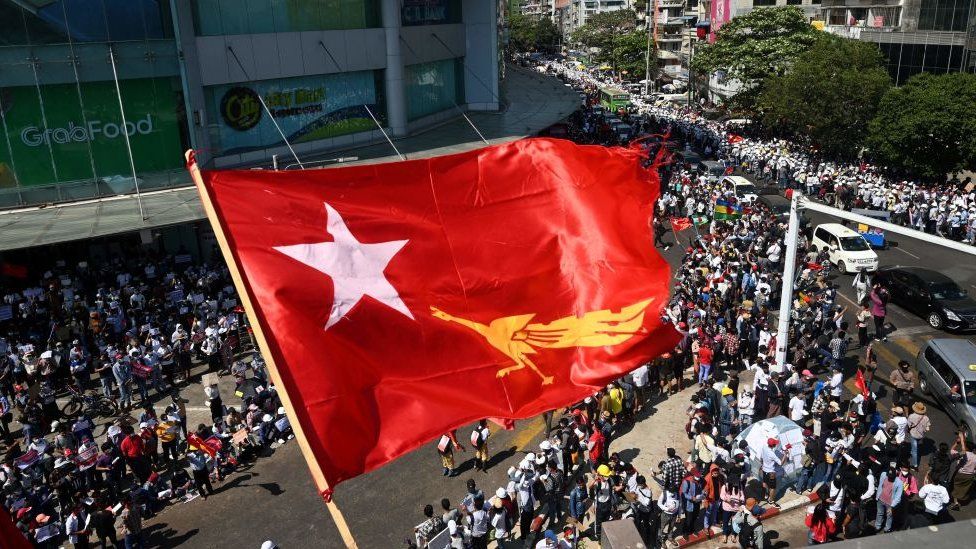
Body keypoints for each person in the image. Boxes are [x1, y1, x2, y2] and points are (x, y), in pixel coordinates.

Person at [874, 462, 904, 533]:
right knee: (879, 513)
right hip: (880, 499)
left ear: (895, 475)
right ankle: (877, 526)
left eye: (892, 477)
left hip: (890, 503)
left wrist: (892, 506)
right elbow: (880, 486)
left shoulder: (899, 483)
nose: (890, 478)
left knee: (889, 516)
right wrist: (877, 497)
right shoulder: (883, 475)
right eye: (889, 476)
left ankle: (887, 528)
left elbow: (898, 497)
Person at [907, 402, 930, 469]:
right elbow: (928, 428)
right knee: (916, 445)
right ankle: (912, 452)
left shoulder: (911, 416)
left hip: (913, 434)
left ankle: (915, 465)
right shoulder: (926, 418)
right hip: (921, 435)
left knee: (915, 450)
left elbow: (908, 425)